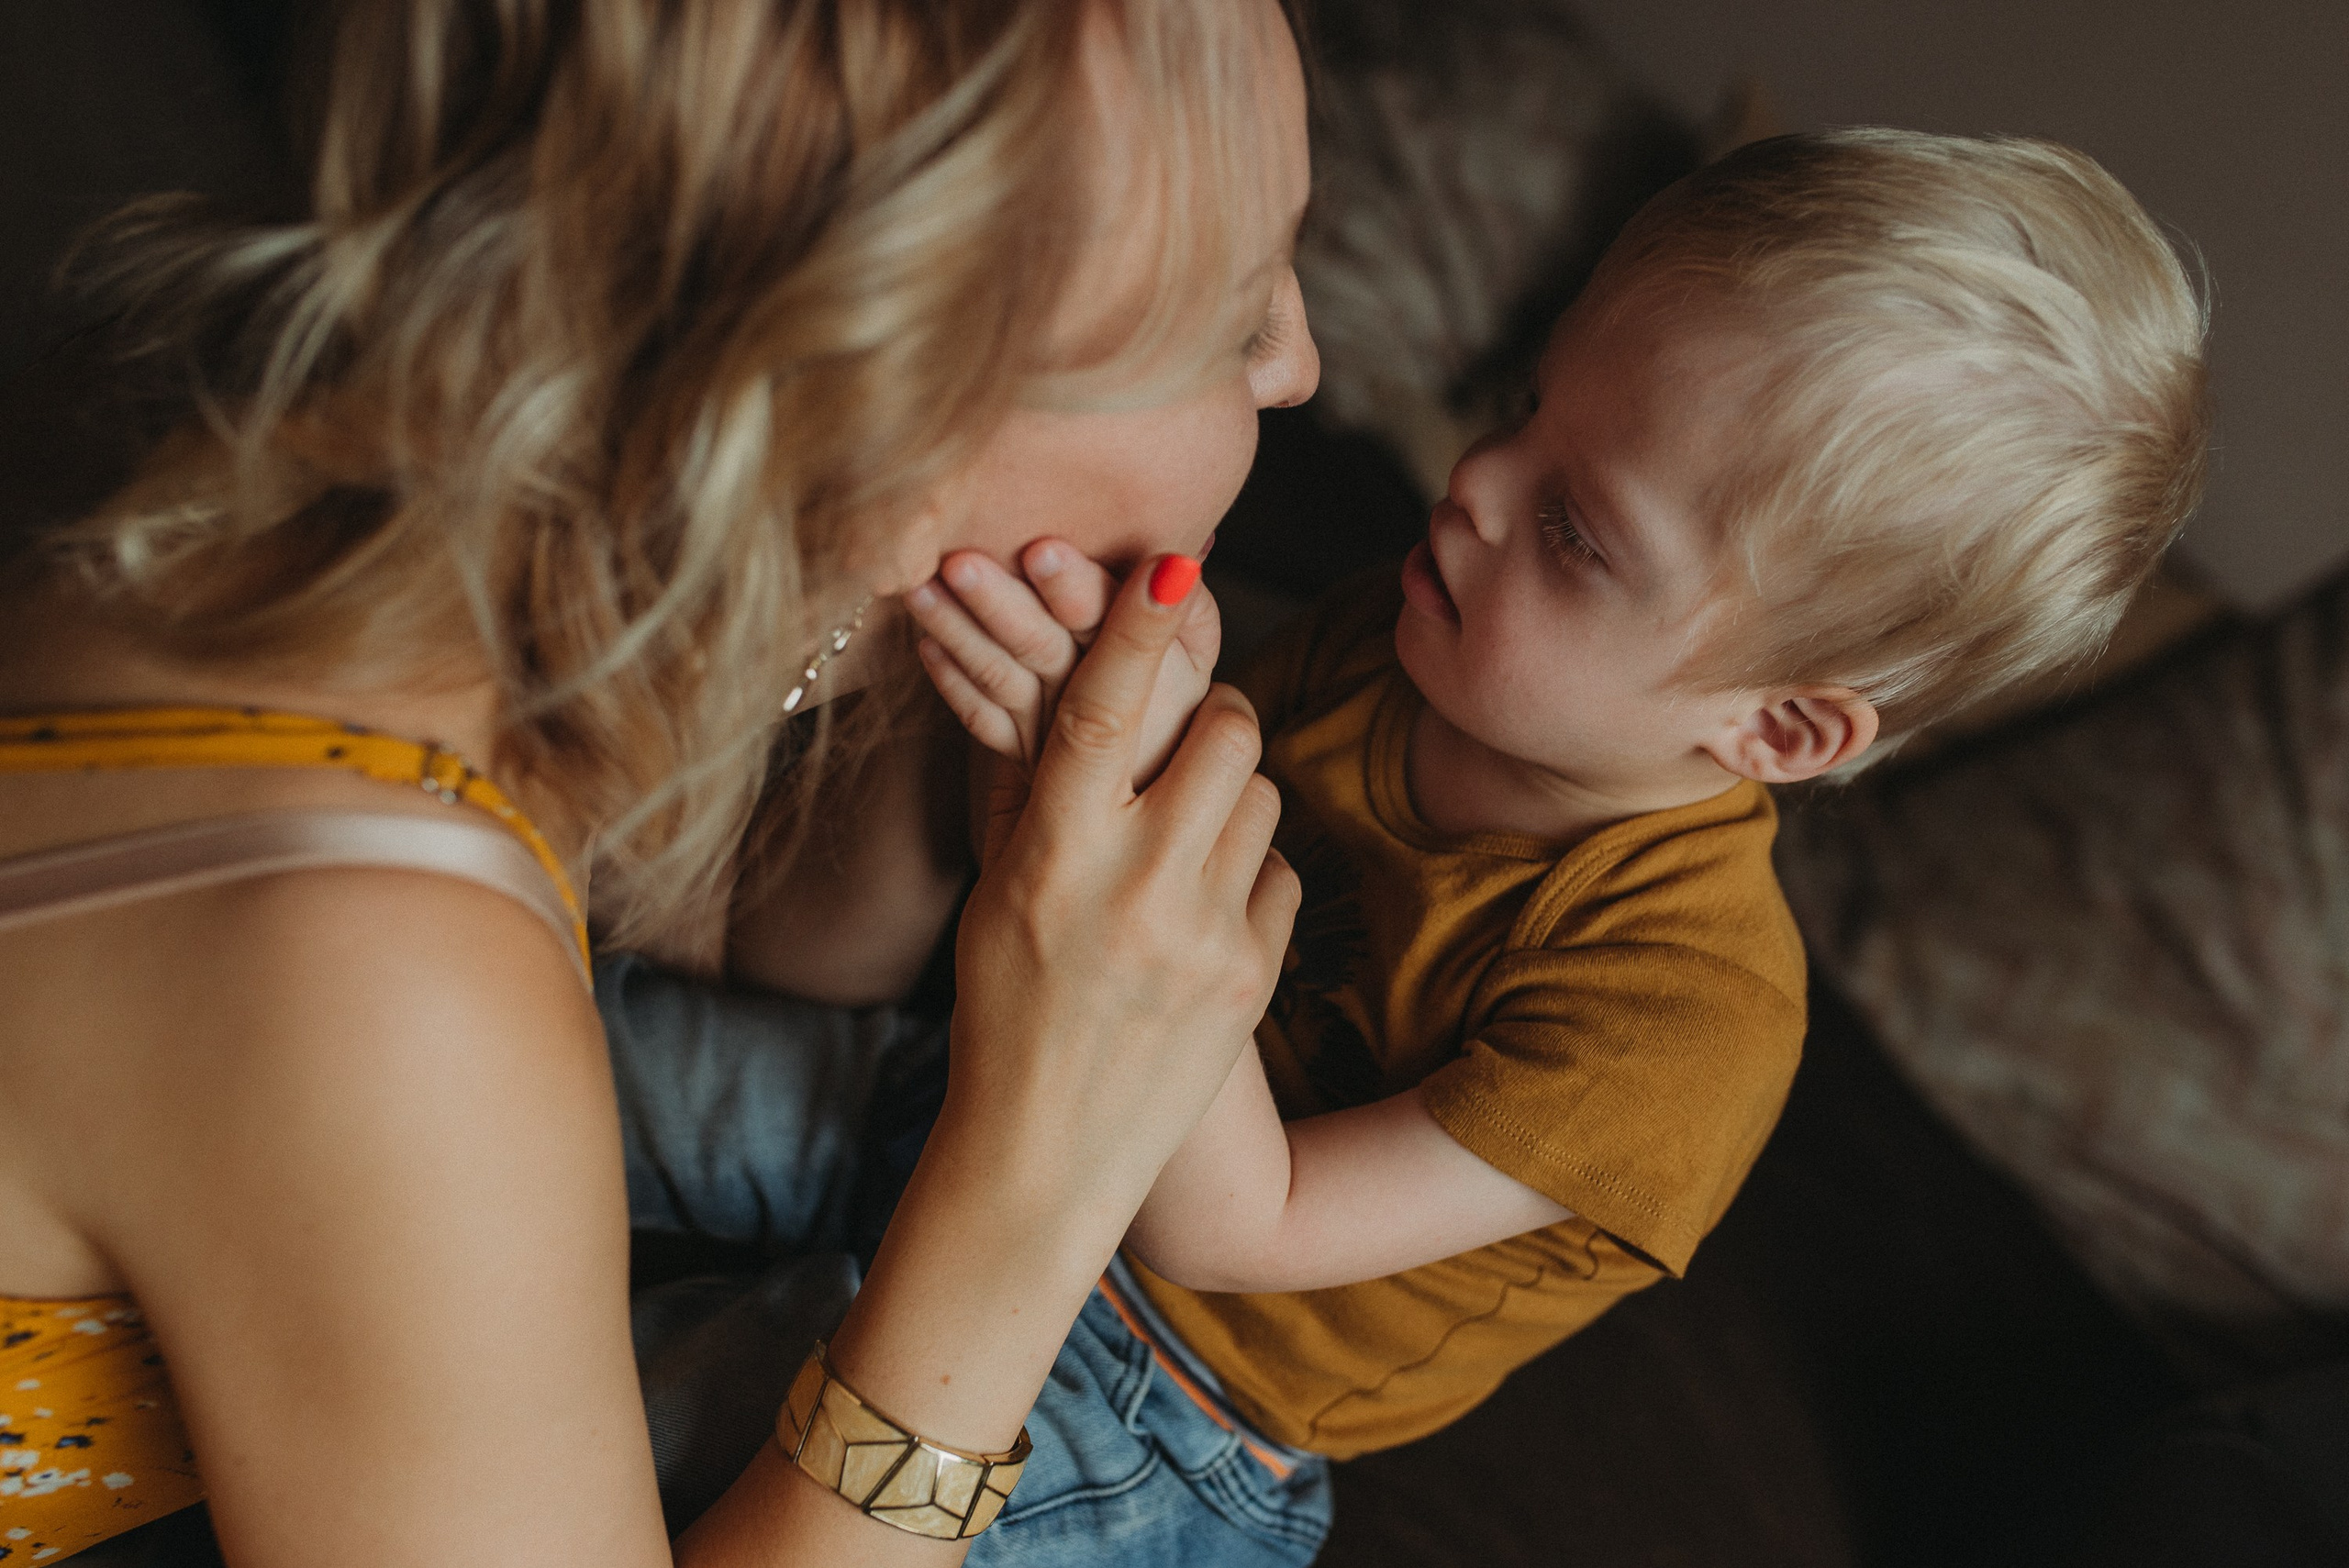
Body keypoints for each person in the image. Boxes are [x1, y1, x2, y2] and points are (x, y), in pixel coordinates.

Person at [0, 0, 1321, 1562]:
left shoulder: (343, 509)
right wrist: (1042, 1173)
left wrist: (961, 727)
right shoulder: (375, 973)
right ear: (885, 446)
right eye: (1239, 319)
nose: (1302, 366)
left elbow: (767, 935)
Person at [909, 128, 2210, 1466]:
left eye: (1577, 530)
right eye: (1525, 406)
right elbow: (1055, 881)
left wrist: (1130, 780)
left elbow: (1234, 1227)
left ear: (1781, 724)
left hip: (1168, 1387)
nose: (1474, 483)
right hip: (1011, 1091)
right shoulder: (1421, 637)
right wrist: (1077, 696)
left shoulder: (1684, 1023)